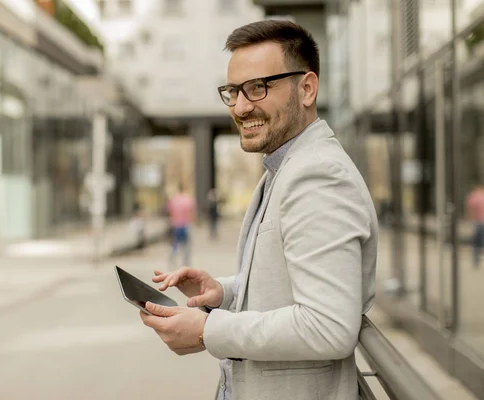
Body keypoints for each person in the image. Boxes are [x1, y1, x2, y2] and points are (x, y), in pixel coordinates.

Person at [139, 20, 378, 400]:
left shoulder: (317, 175)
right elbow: (295, 283)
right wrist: (226, 292)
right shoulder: (285, 166)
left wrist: (206, 329)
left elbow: (328, 325)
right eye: (232, 91)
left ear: (307, 88)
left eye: (257, 88)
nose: (240, 106)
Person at [167, 183, 196, 267]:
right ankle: (186, 263)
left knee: (176, 243)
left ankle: (173, 255)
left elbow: (170, 212)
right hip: (186, 225)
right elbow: (192, 212)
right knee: (187, 246)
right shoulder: (188, 199)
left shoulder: (173, 199)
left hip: (176, 225)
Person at [466, 184, 484, 268]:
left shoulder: (472, 197)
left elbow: (469, 209)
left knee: (476, 243)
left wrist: (470, 219)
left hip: (476, 222)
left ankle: (476, 261)